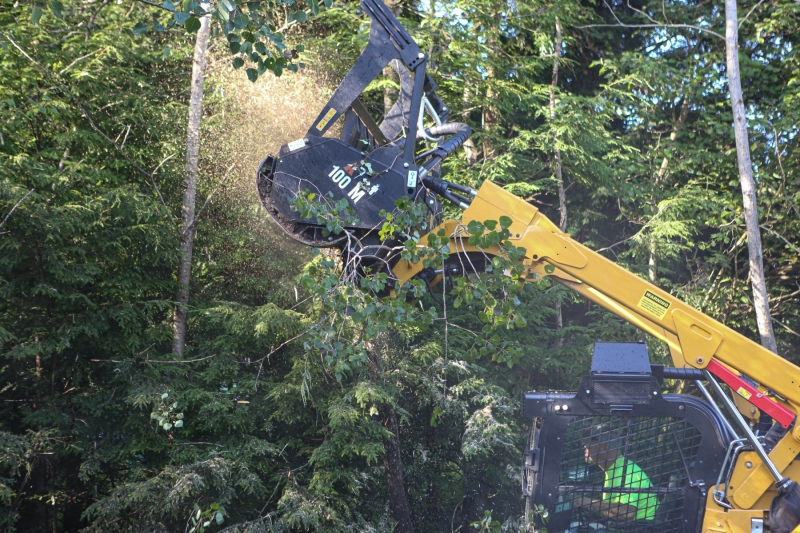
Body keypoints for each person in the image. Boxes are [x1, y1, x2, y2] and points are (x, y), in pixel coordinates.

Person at [573, 428, 659, 523]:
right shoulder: (614, 469)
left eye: (590, 441)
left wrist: (591, 503)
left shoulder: (626, 472)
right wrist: (593, 507)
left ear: (605, 449)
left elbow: (627, 513)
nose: (585, 446)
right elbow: (614, 512)